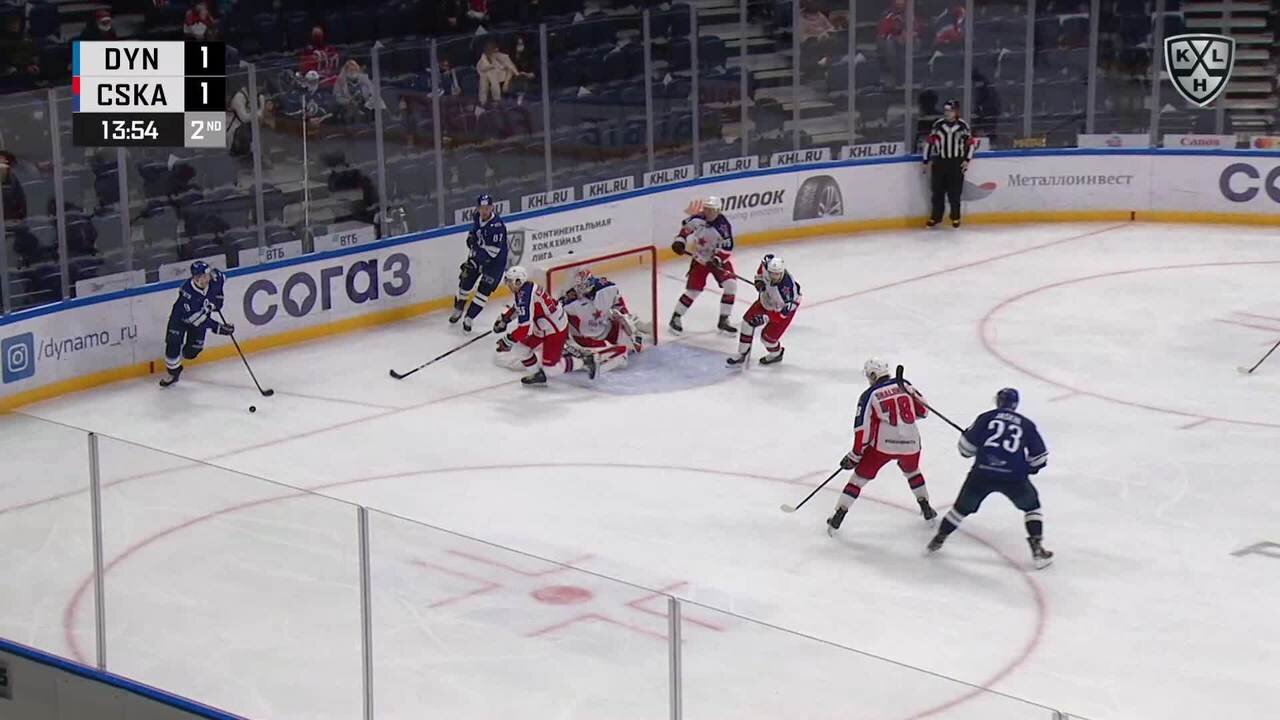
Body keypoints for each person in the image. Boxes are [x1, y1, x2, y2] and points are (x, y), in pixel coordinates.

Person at [928, 388, 1053, 569]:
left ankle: (939, 539)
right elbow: (1040, 458)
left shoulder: (986, 418)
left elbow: (965, 450)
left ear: (998, 402)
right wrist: (1029, 468)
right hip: (1014, 477)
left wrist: (974, 442)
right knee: (1032, 507)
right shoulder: (1026, 424)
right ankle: (1038, 550)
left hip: (982, 474)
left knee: (959, 510)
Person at [826, 358, 938, 535]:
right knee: (912, 472)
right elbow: (924, 411)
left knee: (858, 480)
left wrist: (855, 455)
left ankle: (838, 515)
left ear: (872, 375)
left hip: (882, 447)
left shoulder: (869, 395)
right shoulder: (904, 384)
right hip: (911, 443)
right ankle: (926, 506)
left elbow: (863, 429)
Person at [493, 266, 596, 385]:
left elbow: (525, 329)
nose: (508, 285)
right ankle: (538, 375)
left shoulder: (525, 295)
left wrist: (507, 340)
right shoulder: (525, 288)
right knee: (520, 348)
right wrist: (505, 319)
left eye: (510, 282)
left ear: (518, 281)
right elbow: (518, 307)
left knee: (550, 369)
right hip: (544, 326)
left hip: (555, 329)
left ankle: (585, 361)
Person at [669, 196, 737, 334]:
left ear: (718, 210)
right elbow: (685, 230)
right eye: (706, 209)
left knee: (731, 284)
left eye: (712, 209)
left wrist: (717, 259)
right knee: (693, 291)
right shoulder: (697, 219)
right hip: (700, 259)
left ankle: (724, 320)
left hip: (717, 260)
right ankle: (676, 317)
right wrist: (680, 241)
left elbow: (727, 248)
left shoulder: (723, 226)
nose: (708, 212)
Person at [160, 261, 233, 388]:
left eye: (207, 276)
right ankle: (173, 373)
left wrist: (218, 298)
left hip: (200, 318)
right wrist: (219, 328)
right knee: (173, 345)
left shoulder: (215, 278)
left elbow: (222, 279)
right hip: (180, 320)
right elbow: (198, 320)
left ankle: (184, 353)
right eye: (202, 277)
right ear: (195, 278)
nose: (206, 279)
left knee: (192, 352)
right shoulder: (187, 293)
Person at [559, 268, 646, 373]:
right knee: (620, 354)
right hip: (587, 339)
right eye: (578, 286)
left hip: (607, 328)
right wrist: (566, 344)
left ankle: (635, 329)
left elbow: (619, 305)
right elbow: (560, 321)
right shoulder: (568, 302)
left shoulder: (607, 288)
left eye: (583, 285)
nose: (581, 289)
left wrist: (628, 324)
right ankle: (593, 359)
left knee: (635, 346)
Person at [728, 254, 800, 367]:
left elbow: (782, 315)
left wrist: (764, 318)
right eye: (772, 273)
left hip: (781, 310)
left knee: (767, 339)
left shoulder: (788, 292)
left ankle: (777, 354)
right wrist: (759, 281)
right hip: (766, 300)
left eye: (778, 274)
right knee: (746, 323)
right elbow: (760, 272)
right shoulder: (766, 265)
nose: (775, 276)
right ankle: (741, 354)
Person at [451, 194, 508, 332]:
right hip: (479, 255)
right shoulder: (477, 216)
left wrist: (475, 261)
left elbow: (493, 253)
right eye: (482, 208)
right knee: (465, 280)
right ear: (477, 208)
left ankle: (469, 318)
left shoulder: (497, 226)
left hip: (495, 264)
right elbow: (475, 231)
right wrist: (471, 236)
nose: (484, 211)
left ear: (492, 207)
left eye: (487, 208)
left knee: (483, 291)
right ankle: (459, 308)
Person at [923, 99, 975, 228]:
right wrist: (925, 160)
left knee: (955, 193)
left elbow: (971, 144)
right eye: (946, 110)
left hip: (956, 162)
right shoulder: (938, 125)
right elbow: (929, 143)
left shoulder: (963, 126)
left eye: (950, 111)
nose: (947, 113)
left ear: (956, 112)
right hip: (940, 162)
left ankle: (955, 217)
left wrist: (967, 160)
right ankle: (936, 217)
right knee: (937, 192)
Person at [476, 39, 530, 106]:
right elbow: (483, 83)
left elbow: (511, 67)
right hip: (492, 86)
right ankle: (491, 102)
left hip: (506, 82)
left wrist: (508, 82)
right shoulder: (481, 63)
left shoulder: (502, 56)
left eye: (496, 50)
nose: (496, 52)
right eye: (493, 51)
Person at [333, 60, 381, 124]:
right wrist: (348, 101)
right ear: (346, 71)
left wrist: (370, 95)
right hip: (348, 104)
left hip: (363, 102)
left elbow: (372, 89)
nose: (353, 71)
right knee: (352, 107)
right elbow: (337, 97)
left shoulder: (364, 78)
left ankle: (375, 122)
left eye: (355, 69)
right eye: (351, 70)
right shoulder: (340, 80)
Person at [0, 150, 25, 222]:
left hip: (10, 223)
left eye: (4, 164)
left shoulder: (13, 181)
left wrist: (19, 218)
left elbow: (21, 202)